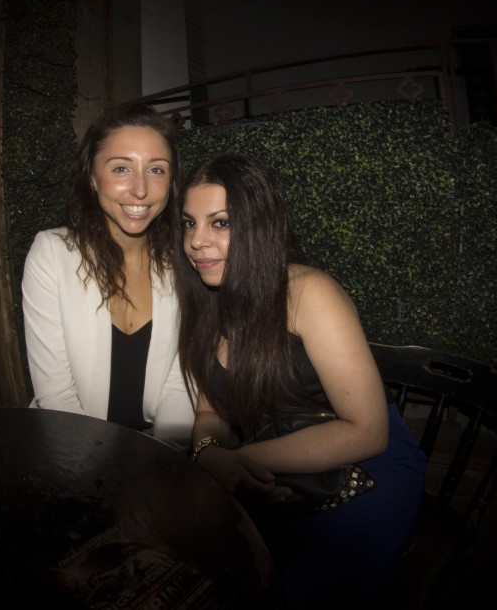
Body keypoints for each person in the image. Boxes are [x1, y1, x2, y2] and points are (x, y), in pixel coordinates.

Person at [174, 153, 427, 608]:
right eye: (189, 223)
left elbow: (367, 431)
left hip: (367, 468)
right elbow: (209, 413)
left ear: (260, 226)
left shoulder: (308, 292)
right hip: (274, 468)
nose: (196, 241)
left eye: (221, 223)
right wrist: (210, 454)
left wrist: (238, 459)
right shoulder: (208, 303)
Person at [21, 103, 194, 451]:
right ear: (92, 177)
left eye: (156, 170)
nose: (140, 189)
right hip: (73, 447)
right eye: (121, 168)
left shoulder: (184, 258)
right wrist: (100, 472)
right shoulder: (53, 254)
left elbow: (180, 384)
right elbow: (56, 394)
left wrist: (163, 462)